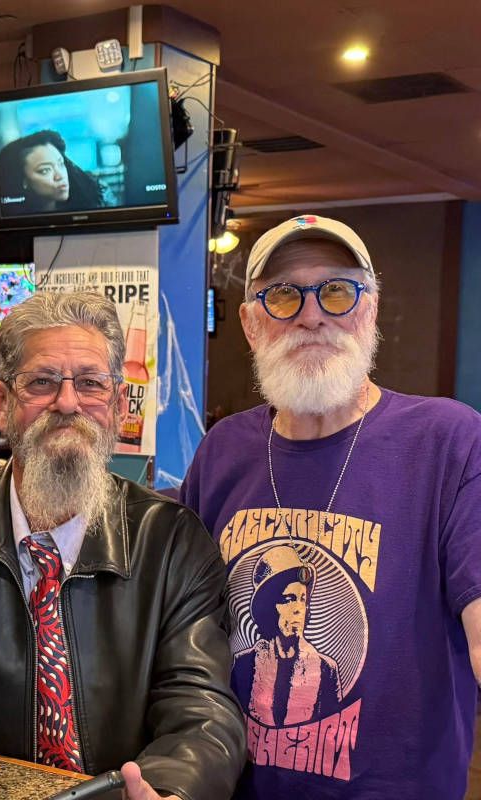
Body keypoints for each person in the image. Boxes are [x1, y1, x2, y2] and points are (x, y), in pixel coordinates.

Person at [0, 291, 246, 800]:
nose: (68, 403)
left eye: (91, 383)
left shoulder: (172, 542)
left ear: (119, 405)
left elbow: (202, 710)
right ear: (1, 404)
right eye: (42, 382)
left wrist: (168, 789)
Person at [180, 214, 481, 799]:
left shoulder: (448, 440)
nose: (312, 315)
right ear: (250, 324)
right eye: (283, 295)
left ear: (370, 309)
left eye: (338, 291)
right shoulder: (225, 448)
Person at [231, 545, 341, 728]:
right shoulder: (244, 662)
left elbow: (333, 728)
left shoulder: (326, 669)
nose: (298, 609)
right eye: (289, 599)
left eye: (302, 599)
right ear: (269, 606)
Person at [0, 130, 108, 214]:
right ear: (23, 181)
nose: (60, 176)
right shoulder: (12, 217)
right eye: (45, 170)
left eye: (61, 164)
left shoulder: (94, 202)